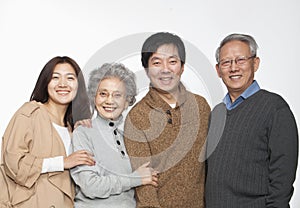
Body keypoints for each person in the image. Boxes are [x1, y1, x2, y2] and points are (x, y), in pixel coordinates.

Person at [205, 33, 298, 207]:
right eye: (226, 62)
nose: (234, 68)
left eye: (240, 60)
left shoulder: (275, 108)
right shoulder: (216, 113)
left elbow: (283, 178)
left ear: (255, 63)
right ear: (218, 70)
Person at [123, 32, 211, 208]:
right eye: (157, 62)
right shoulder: (137, 117)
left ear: (182, 66)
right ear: (147, 69)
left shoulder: (201, 106)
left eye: (172, 61)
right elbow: (143, 184)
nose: (165, 69)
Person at [0, 56, 95, 208]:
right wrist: (63, 162)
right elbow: (14, 163)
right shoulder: (30, 112)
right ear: (46, 83)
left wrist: (83, 133)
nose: (62, 84)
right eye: (55, 77)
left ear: (79, 85)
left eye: (70, 78)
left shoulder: (74, 128)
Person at [70, 63, 158, 208]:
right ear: (94, 97)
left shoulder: (130, 137)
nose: (109, 100)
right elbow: (90, 186)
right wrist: (135, 178)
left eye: (117, 95)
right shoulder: (84, 132)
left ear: (127, 101)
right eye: (103, 94)